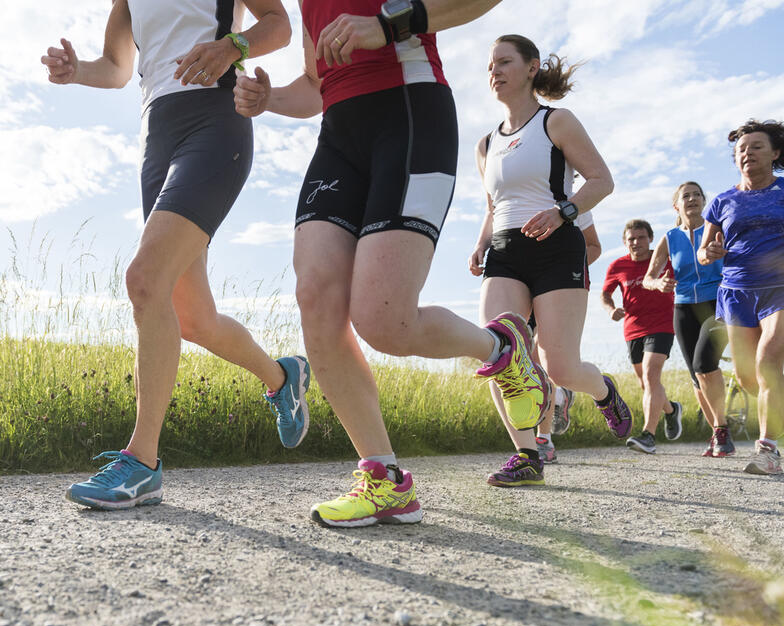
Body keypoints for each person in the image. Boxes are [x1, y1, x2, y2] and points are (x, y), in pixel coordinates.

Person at [236, 0, 551, 526]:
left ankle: (501, 347)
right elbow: (315, 85)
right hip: (340, 137)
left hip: (411, 117)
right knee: (315, 295)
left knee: (384, 321)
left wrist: (385, 25)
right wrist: (269, 97)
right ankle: (383, 480)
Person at [41, 1, 310, 510]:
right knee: (192, 317)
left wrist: (234, 45)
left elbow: (279, 23)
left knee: (145, 279)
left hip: (214, 122)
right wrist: (78, 72)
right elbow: (118, 68)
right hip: (157, 136)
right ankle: (283, 376)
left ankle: (142, 463)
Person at [469, 34, 631, 485]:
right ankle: (526, 456)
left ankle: (603, 392)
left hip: (557, 247)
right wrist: (481, 243)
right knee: (500, 351)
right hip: (504, 250)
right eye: (490, 65)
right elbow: (492, 206)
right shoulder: (485, 145)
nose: (494, 71)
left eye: (504, 62)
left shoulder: (556, 122)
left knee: (559, 366)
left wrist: (565, 212)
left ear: (532, 67)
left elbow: (602, 180)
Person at [698, 119, 784, 476]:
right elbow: (703, 253)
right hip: (737, 292)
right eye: (741, 148)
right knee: (748, 378)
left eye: (756, 146)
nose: (747, 153)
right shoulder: (723, 200)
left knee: (769, 360)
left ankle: (768, 450)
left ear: (775, 153)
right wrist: (710, 251)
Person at [643, 182, 732, 456]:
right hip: (683, 308)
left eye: (697, 195)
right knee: (696, 377)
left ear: (704, 201)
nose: (692, 198)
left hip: (717, 303)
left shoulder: (717, 230)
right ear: (676, 206)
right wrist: (659, 285)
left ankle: (722, 430)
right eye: (686, 195)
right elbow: (648, 278)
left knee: (704, 364)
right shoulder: (669, 238)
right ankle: (718, 434)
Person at [602, 220, 683, 454]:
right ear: (624, 242)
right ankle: (670, 410)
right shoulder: (618, 265)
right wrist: (611, 310)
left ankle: (648, 435)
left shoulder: (663, 262)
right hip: (633, 328)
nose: (636, 242)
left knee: (650, 375)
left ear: (650, 239)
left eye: (641, 237)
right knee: (646, 383)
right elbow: (605, 294)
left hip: (662, 324)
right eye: (631, 239)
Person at [524, 219, 601, 464]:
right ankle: (558, 398)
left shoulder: (573, 196)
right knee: (518, 357)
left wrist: (562, 267)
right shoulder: (516, 189)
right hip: (516, 279)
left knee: (542, 360)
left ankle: (542, 438)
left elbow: (594, 246)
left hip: (557, 284)